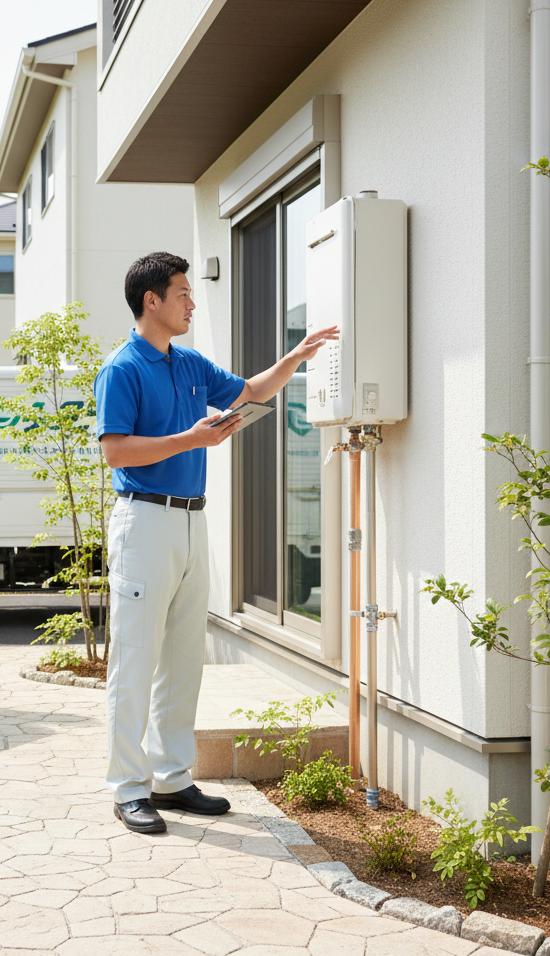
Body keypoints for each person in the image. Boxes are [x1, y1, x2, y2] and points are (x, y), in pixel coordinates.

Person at [95, 252, 338, 833]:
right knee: (134, 661)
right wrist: (191, 438)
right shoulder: (122, 368)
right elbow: (115, 451)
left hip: (190, 520)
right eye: (182, 293)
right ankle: (129, 788)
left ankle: (171, 777)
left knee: (183, 659)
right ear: (151, 300)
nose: (191, 303)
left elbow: (249, 390)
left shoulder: (189, 363)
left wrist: (295, 357)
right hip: (143, 521)